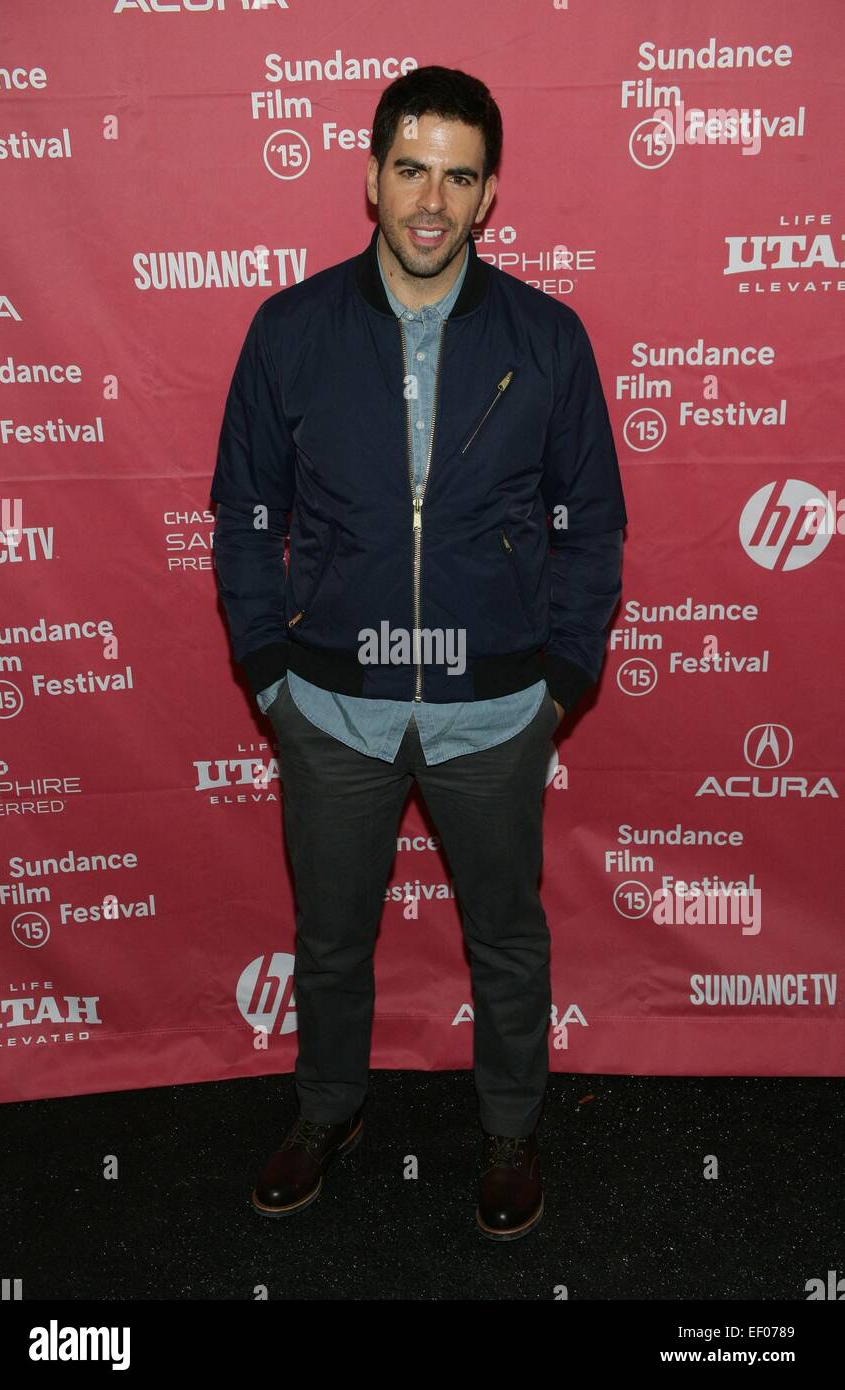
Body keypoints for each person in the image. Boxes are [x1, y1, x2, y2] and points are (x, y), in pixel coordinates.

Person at [210, 65, 628, 1241]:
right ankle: (327, 1108)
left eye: (456, 175)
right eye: (408, 169)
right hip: (329, 710)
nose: (429, 200)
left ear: (489, 194)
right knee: (331, 934)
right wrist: (267, 669)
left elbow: (588, 521)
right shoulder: (289, 330)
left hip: (493, 711)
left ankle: (508, 1126)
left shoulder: (546, 337)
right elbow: (245, 507)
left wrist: (558, 682)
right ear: (369, 178)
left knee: (504, 933)